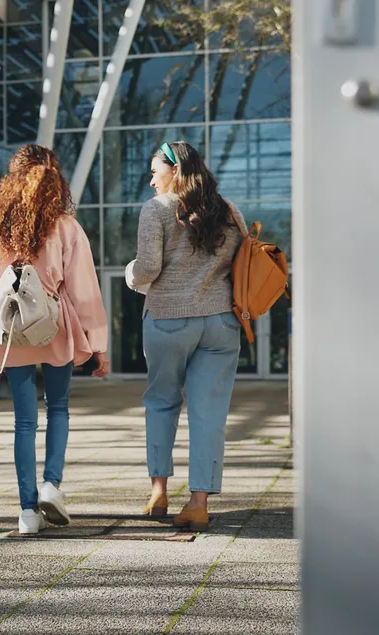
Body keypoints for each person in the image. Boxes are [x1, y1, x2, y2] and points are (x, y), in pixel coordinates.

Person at [0, 144, 108, 535]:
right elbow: (84, 291)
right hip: (56, 325)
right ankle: (52, 485)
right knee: (58, 407)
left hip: (13, 330)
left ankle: (28, 511)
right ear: (54, 181)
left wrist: (1, 301)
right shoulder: (65, 227)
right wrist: (98, 345)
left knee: (24, 421)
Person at [128, 141, 244, 531]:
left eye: (154, 170)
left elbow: (146, 268)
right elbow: (243, 261)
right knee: (208, 413)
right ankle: (198, 503)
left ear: (174, 171)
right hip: (221, 323)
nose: (150, 179)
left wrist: (130, 275)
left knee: (161, 402)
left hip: (168, 320)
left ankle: (158, 491)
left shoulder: (157, 210)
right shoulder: (228, 211)